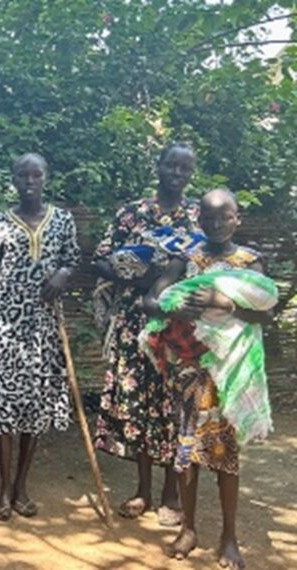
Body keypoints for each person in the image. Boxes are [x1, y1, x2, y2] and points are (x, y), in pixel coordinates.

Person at [144, 189, 275, 570]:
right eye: (209, 217)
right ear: (198, 220)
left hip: (229, 372)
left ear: (238, 219)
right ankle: (188, 529)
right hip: (190, 369)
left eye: (225, 216)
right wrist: (174, 303)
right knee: (187, 452)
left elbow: (266, 313)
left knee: (225, 455)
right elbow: (151, 302)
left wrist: (228, 305)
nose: (216, 223)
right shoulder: (187, 260)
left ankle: (229, 538)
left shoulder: (250, 262)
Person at [93, 143, 200, 525]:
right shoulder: (132, 213)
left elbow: (205, 266)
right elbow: (101, 258)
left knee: (175, 407)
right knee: (139, 405)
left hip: (179, 326)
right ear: (158, 166)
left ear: (191, 173)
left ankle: (172, 493)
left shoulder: (198, 216)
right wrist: (132, 272)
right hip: (134, 322)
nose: (176, 172)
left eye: (184, 168)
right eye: (171, 164)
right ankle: (143, 490)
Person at [0, 153, 80, 521]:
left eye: (36, 174)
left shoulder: (63, 221)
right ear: (14, 180)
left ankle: (21, 485)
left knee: (34, 410)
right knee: (4, 407)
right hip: (5, 327)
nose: (30, 181)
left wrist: (64, 274)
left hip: (43, 329)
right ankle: (4, 488)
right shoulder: (0, 222)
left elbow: (73, 260)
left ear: (46, 177)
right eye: (23, 175)